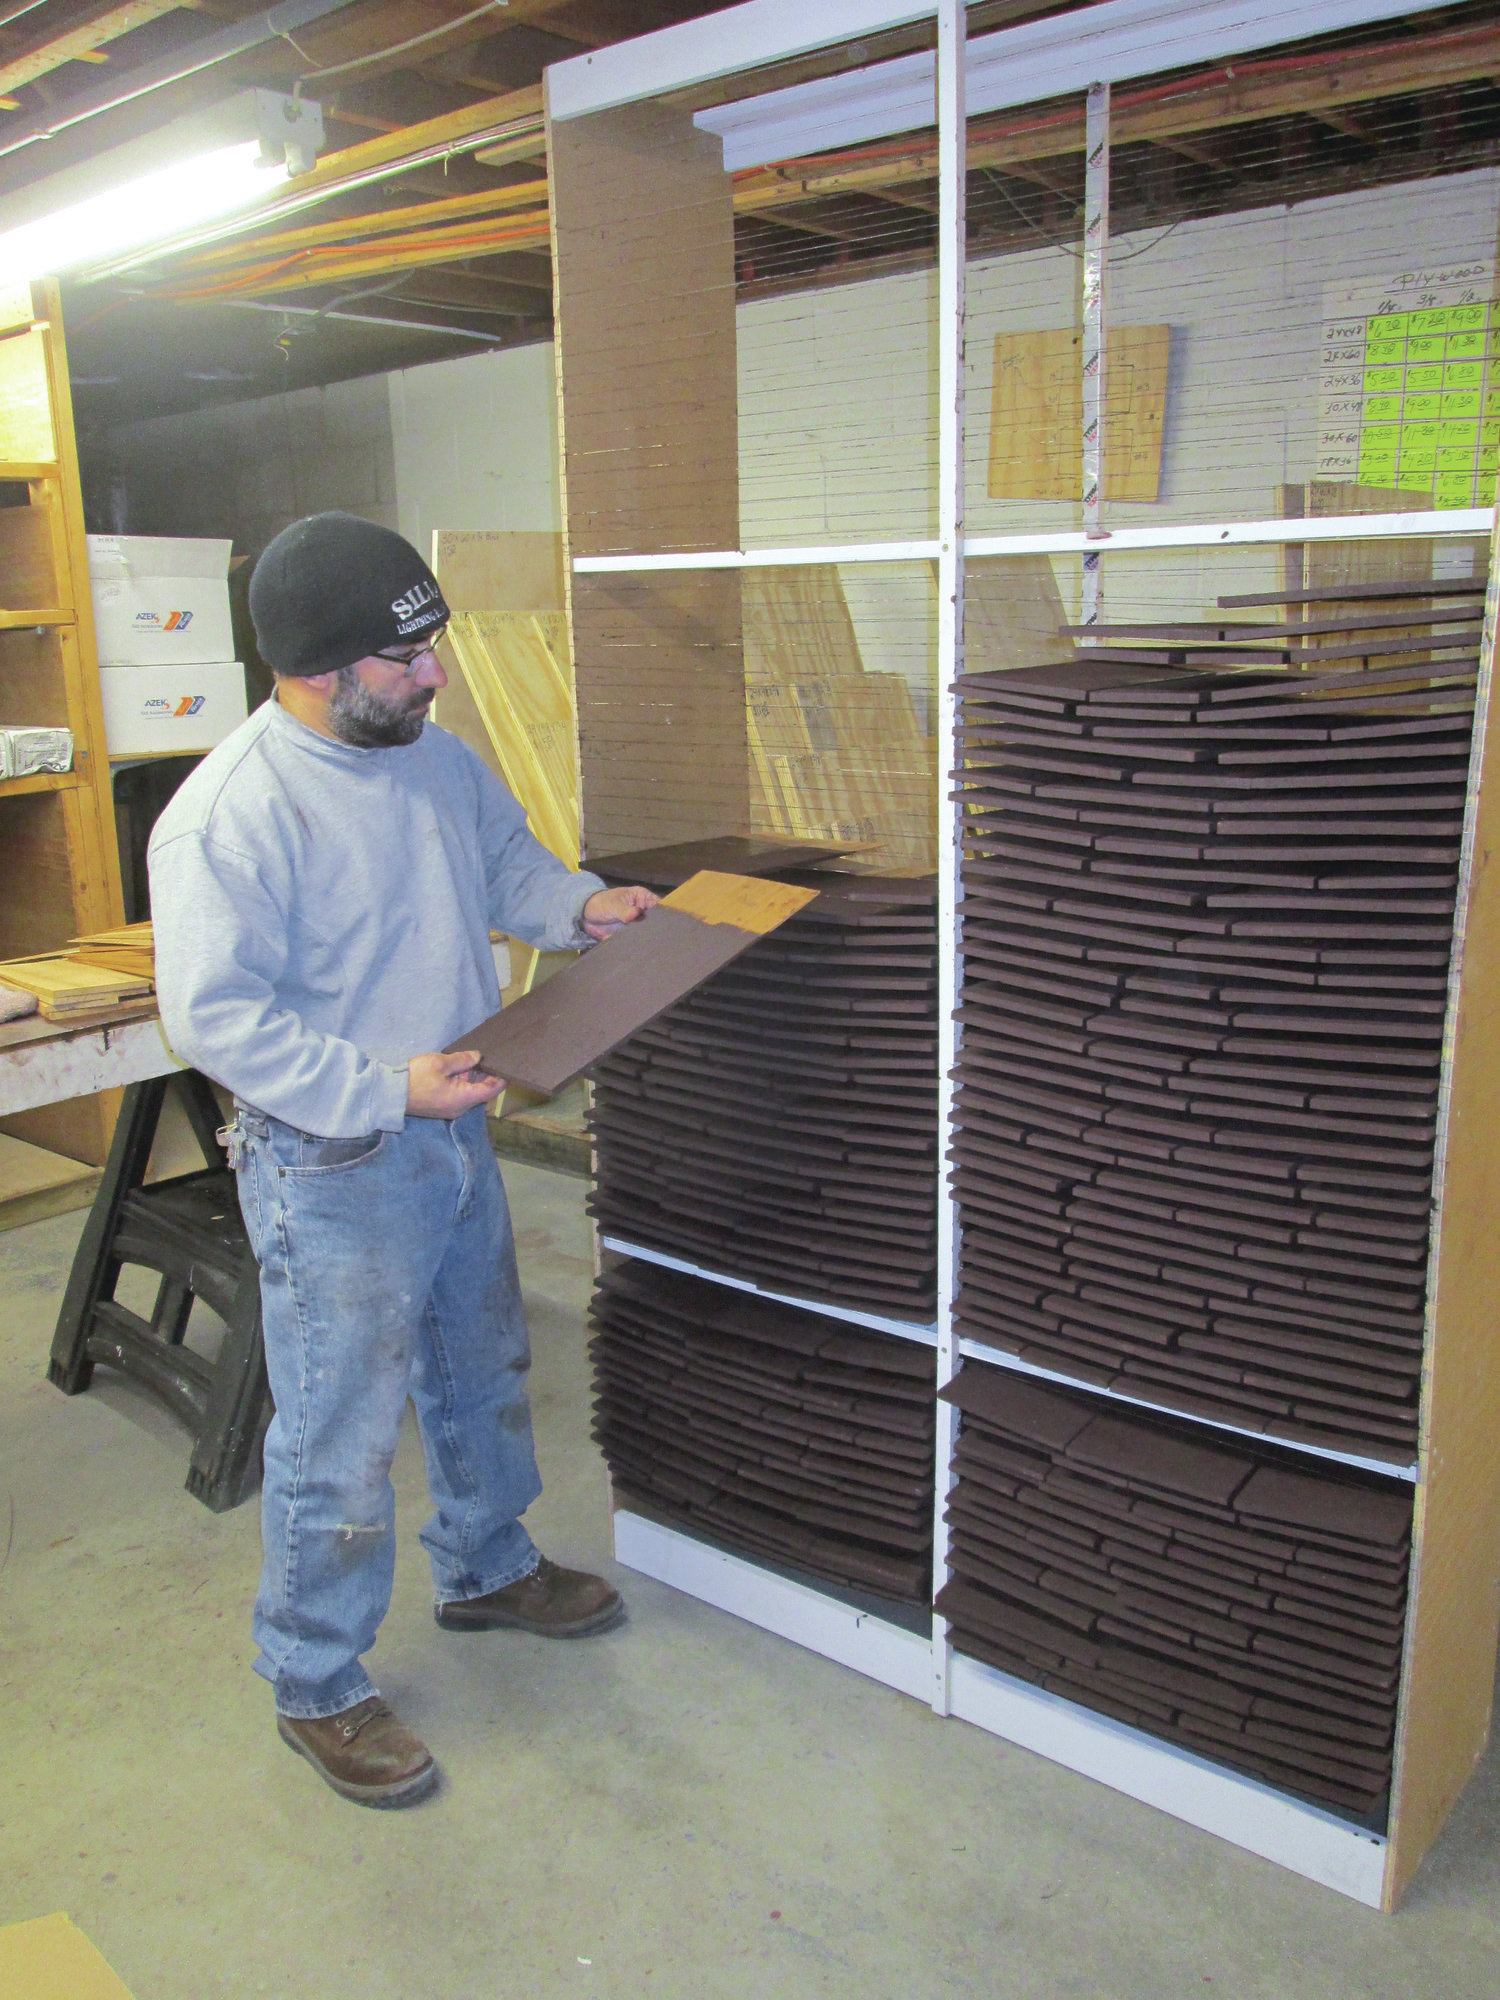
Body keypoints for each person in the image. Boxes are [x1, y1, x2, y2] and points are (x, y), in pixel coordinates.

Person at [148, 511, 658, 1809]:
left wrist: (583, 906)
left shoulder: (429, 754)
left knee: (481, 1366)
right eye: (408, 656)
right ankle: (315, 1677)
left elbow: (504, 865)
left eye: (434, 645)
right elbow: (216, 1020)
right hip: (334, 1161)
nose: (436, 674)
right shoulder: (232, 817)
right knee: (343, 1427)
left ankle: (487, 1565)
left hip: (453, 1126)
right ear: (320, 670)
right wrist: (386, 1089)